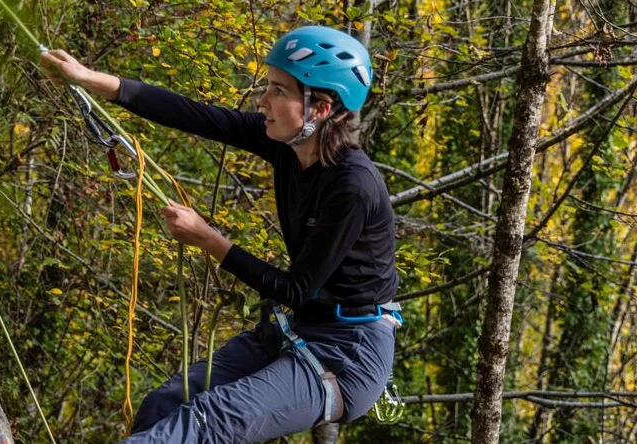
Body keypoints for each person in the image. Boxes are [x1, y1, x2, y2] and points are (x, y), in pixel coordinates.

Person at [40, 25, 399, 444]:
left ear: (318, 107)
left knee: (207, 419)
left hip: (348, 353)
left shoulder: (353, 187)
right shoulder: (286, 146)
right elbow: (199, 115)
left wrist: (209, 239)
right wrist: (88, 78)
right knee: (166, 404)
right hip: (298, 329)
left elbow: (296, 288)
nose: (263, 101)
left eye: (278, 91)